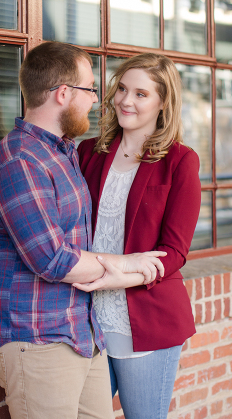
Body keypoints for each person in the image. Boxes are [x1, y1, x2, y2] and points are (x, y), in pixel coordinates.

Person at [0, 41, 167, 419]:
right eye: (91, 89)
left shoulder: (64, 152)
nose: (97, 100)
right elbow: (53, 260)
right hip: (37, 340)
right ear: (64, 93)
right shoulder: (21, 161)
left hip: (82, 335)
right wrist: (129, 266)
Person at [75, 53, 201, 419]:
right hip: (88, 319)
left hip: (146, 319)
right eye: (123, 89)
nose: (126, 101)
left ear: (164, 103)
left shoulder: (180, 160)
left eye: (141, 94)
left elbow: (174, 251)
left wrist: (120, 275)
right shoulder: (88, 151)